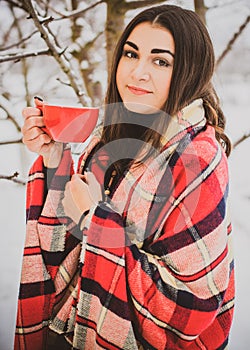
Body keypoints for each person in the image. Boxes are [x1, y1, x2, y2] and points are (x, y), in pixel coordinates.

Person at [15, 4, 235, 350]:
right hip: (73, 322)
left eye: (160, 61)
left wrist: (95, 220)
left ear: (189, 71)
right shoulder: (111, 134)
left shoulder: (197, 158)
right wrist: (55, 157)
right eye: (131, 54)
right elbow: (72, 236)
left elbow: (188, 307)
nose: (137, 73)